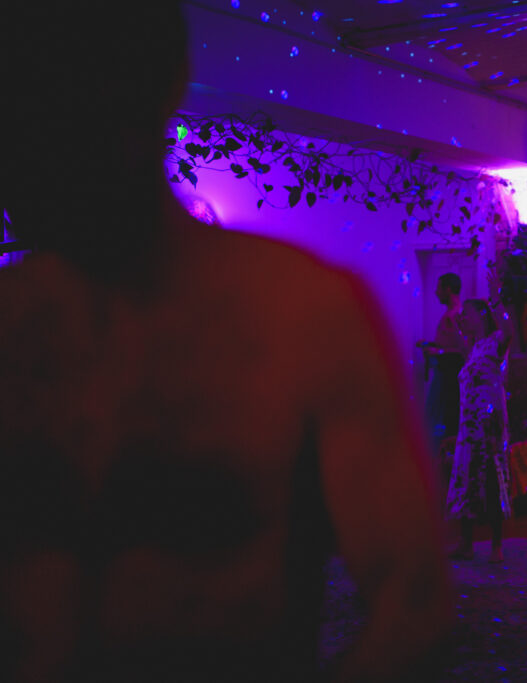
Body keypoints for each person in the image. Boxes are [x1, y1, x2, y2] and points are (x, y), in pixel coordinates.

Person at [0, 2, 452, 681]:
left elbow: (413, 604)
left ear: (156, 86)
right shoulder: (13, 320)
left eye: (56, 100)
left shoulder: (301, 315)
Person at [446, 281, 515, 564]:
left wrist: (496, 298)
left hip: (488, 424)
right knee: (466, 480)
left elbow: (509, 331)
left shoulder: (494, 342)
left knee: (490, 480)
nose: (465, 317)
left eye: (469, 313)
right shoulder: (473, 347)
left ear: (482, 316)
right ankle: (466, 543)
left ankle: (497, 546)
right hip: (468, 425)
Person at [422, 273, 470, 453]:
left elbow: (463, 350)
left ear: (448, 289)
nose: (436, 292)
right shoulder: (451, 315)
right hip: (446, 374)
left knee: (449, 419)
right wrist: (433, 346)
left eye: (439, 288)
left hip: (451, 377)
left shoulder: (455, 316)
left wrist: (438, 352)